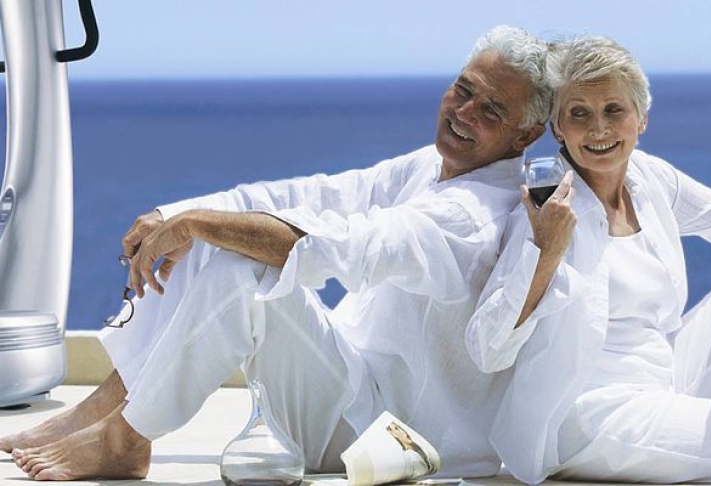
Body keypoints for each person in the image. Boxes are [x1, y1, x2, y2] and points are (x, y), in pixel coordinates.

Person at [1, 25, 552, 481]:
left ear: (525, 136)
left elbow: (342, 246)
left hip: (388, 436)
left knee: (237, 257)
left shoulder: (476, 214)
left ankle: (125, 438)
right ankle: (100, 410)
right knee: (220, 236)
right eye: (463, 90)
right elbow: (311, 196)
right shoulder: (431, 168)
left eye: (491, 110)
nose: (464, 112)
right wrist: (178, 214)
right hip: (351, 390)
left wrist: (199, 224)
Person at [466, 34, 711, 485]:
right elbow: (486, 349)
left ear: (641, 119)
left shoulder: (651, 178)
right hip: (587, 416)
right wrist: (546, 252)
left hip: (665, 381)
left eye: (613, 110)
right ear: (558, 129)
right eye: (579, 114)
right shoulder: (546, 207)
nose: (598, 130)